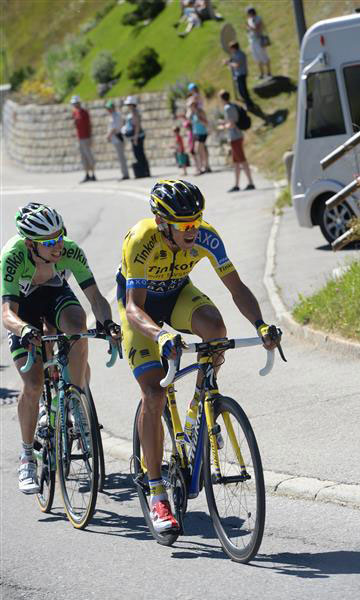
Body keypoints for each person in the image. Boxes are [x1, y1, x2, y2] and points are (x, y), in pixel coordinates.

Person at [116, 179, 280, 532]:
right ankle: (158, 494)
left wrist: (261, 324)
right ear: (163, 223)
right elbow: (133, 307)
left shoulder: (206, 235)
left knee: (215, 331)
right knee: (155, 393)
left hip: (177, 295)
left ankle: (202, 408)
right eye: (184, 225)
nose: (193, 230)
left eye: (196, 221)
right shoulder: (141, 239)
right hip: (141, 308)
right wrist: (160, 335)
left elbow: (235, 286)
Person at [1, 203, 121, 494]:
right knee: (32, 384)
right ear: (30, 244)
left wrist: (109, 324)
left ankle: (76, 401)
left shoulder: (69, 249)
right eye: (49, 242)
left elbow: (95, 297)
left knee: (78, 325)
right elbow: (7, 313)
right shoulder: (13, 256)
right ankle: (27, 456)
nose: (58, 245)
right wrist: (24, 330)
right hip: (23, 310)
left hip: (54, 295)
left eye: (60, 236)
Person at [218, 89, 255, 192]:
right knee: (237, 162)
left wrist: (223, 127)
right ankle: (237, 184)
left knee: (242, 161)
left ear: (222, 99)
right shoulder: (232, 106)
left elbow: (232, 124)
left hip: (235, 137)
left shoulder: (228, 108)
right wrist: (224, 123)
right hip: (236, 137)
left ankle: (250, 182)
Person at [122, 96, 150, 179]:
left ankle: (145, 171)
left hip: (137, 136)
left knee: (139, 154)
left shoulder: (134, 113)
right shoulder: (133, 112)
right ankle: (145, 171)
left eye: (129, 104)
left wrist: (135, 138)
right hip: (135, 136)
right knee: (139, 154)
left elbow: (137, 126)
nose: (128, 106)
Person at [70, 95, 96, 183]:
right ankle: (87, 174)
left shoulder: (84, 112)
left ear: (79, 103)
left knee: (89, 156)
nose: (74, 105)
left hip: (86, 137)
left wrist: (90, 137)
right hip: (80, 138)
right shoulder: (74, 113)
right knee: (83, 157)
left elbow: (89, 125)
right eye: (73, 103)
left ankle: (93, 174)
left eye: (75, 103)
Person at [223, 41, 254, 110]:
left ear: (234, 48)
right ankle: (249, 103)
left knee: (243, 91)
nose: (230, 50)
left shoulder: (240, 54)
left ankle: (249, 104)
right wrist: (228, 61)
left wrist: (228, 63)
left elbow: (237, 65)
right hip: (239, 74)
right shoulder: (235, 54)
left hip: (241, 74)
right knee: (241, 91)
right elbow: (233, 60)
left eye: (231, 48)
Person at [105, 99, 129, 181]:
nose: (108, 110)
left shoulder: (116, 116)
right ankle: (124, 173)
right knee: (120, 157)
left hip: (118, 138)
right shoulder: (113, 116)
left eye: (109, 108)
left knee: (121, 157)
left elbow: (114, 128)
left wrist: (108, 135)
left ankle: (125, 174)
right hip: (115, 139)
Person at [246, 6, 272, 79]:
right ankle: (261, 73)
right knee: (256, 58)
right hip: (252, 41)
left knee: (264, 56)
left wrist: (249, 27)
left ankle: (269, 72)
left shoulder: (258, 18)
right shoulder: (249, 20)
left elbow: (257, 29)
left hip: (259, 40)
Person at [187, 97, 211, 174]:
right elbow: (189, 120)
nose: (190, 107)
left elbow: (206, 123)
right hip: (196, 134)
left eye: (191, 105)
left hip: (202, 133)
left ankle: (199, 168)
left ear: (195, 105)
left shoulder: (200, 112)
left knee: (197, 150)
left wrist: (200, 119)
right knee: (203, 151)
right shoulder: (192, 114)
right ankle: (206, 166)